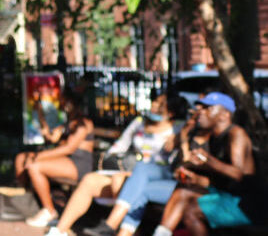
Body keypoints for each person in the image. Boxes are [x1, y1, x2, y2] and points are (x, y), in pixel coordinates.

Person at [45, 94, 187, 236]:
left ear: (171, 113)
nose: (154, 106)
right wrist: (110, 165)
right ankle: (59, 230)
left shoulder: (179, 129)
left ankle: (112, 226)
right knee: (90, 180)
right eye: (155, 102)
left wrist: (180, 137)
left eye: (161, 104)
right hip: (130, 172)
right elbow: (120, 146)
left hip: (159, 175)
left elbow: (179, 158)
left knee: (126, 180)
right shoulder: (140, 122)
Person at [82, 99, 210, 236]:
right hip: (159, 177)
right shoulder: (186, 131)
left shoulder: (186, 131)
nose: (196, 114)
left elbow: (187, 163)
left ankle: (110, 225)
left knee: (142, 173)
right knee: (141, 186)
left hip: (183, 184)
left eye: (199, 111)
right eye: (194, 111)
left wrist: (182, 137)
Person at [149, 92, 260, 236]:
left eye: (208, 108)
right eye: (201, 108)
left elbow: (238, 174)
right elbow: (218, 177)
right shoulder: (215, 137)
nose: (200, 112)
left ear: (224, 115)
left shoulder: (236, 134)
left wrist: (208, 160)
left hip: (245, 204)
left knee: (191, 211)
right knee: (183, 190)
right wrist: (194, 176)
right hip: (225, 195)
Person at [14, 91, 94, 227]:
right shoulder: (68, 123)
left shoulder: (83, 123)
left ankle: (49, 211)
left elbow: (69, 148)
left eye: (63, 102)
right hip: (66, 159)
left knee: (35, 166)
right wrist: (40, 115)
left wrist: (39, 157)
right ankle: (29, 198)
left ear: (71, 104)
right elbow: (50, 137)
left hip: (79, 163)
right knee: (21, 158)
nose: (61, 105)